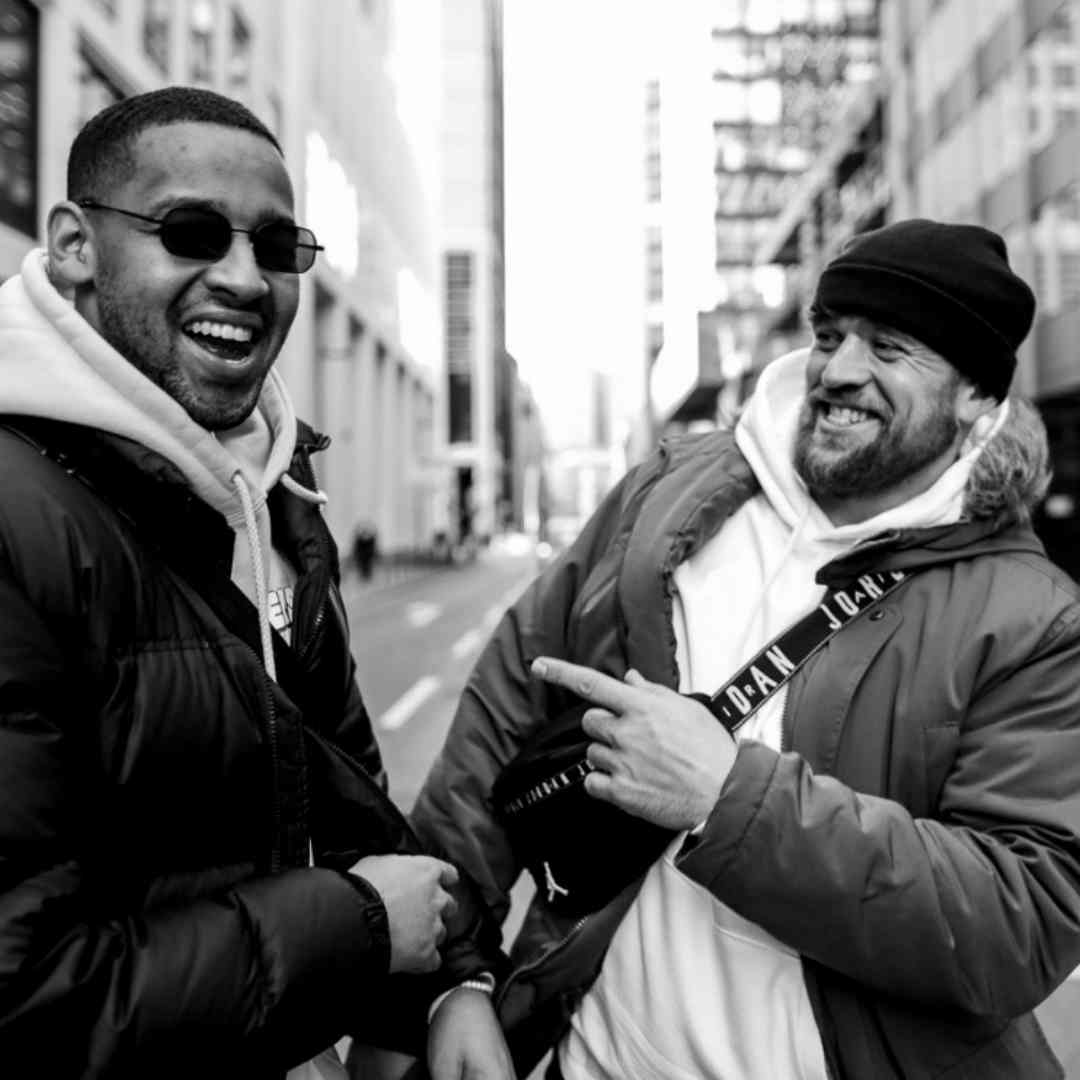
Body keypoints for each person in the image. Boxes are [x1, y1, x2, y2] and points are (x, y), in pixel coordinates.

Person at [412, 218, 1080, 1079]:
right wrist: (453, 978)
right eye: (831, 336)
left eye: (890, 347)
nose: (839, 371)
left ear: (976, 396)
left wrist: (725, 797)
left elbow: (1018, 918)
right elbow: (506, 711)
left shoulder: (1034, 619)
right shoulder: (671, 494)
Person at [0, 86, 513, 1080]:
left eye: (277, 247)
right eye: (190, 232)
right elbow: (25, 1000)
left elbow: (348, 788)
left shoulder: (272, 489)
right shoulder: (16, 516)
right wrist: (361, 929)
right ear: (72, 246)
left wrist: (452, 981)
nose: (244, 277)